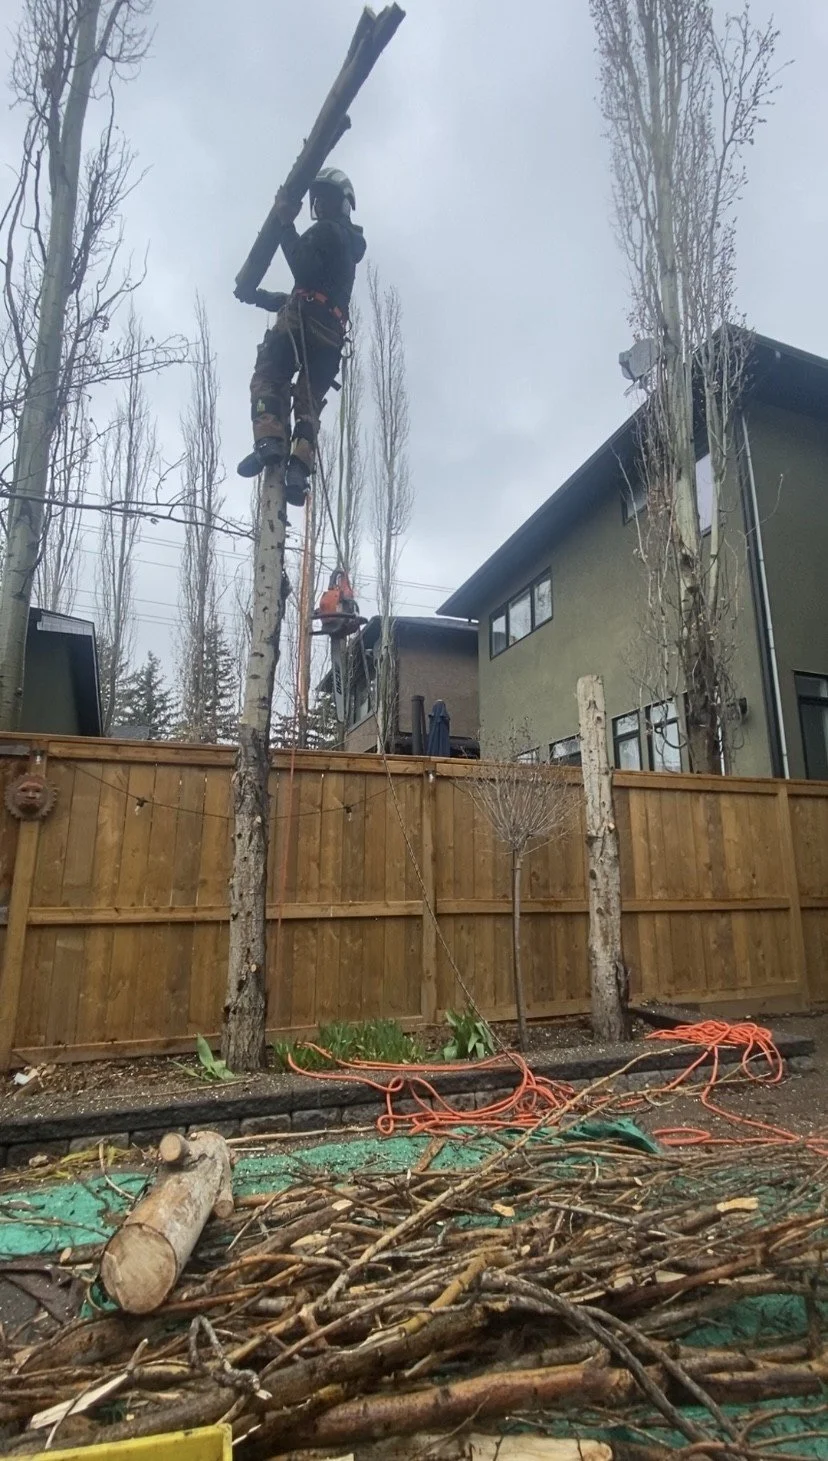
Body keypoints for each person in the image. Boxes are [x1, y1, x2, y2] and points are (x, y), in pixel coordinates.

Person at [237, 168, 366, 505]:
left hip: (302, 325)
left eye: (324, 200)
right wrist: (259, 297)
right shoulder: (346, 250)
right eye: (317, 201)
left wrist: (284, 223)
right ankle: (298, 469)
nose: (319, 206)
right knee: (308, 402)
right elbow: (306, 296)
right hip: (330, 335)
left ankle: (269, 440)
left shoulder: (325, 232)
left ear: (337, 204)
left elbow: (302, 269)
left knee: (268, 376)